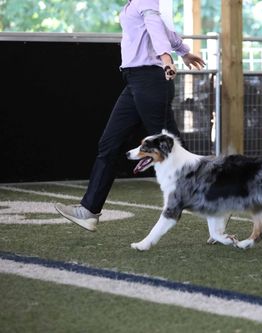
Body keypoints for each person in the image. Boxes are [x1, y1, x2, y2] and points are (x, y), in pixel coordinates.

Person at [55, 0, 205, 231]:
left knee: (173, 150)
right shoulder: (133, 4)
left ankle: (218, 199)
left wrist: (167, 58)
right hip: (134, 81)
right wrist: (183, 51)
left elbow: (156, 26)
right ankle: (89, 210)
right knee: (109, 143)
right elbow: (163, 28)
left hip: (151, 80)